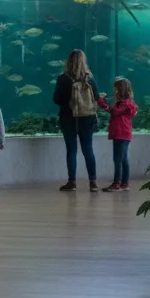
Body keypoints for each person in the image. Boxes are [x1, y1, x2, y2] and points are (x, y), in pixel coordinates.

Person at [53, 49, 100, 192]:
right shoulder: (89, 77)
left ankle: (72, 182)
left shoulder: (63, 78)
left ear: (68, 61)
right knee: (88, 149)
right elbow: (96, 97)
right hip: (87, 118)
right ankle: (93, 182)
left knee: (71, 150)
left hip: (68, 118)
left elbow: (56, 99)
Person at [97, 77, 138, 192]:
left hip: (120, 133)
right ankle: (124, 183)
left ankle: (117, 184)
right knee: (123, 159)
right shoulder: (127, 103)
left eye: (115, 89)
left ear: (121, 90)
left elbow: (114, 111)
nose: (114, 91)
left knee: (118, 159)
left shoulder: (124, 103)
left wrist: (101, 101)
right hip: (123, 133)